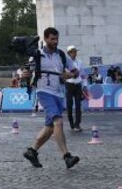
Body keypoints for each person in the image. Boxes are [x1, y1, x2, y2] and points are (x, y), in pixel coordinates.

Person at [23, 27, 81, 170]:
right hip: (44, 91)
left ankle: (32, 151)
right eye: (52, 39)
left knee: (50, 128)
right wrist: (25, 76)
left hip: (58, 93)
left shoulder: (61, 55)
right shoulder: (37, 55)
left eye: (56, 39)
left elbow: (75, 71)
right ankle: (66, 156)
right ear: (46, 39)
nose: (55, 42)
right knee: (58, 121)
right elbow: (26, 72)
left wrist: (71, 75)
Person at [64, 46, 85, 132]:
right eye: (73, 51)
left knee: (78, 105)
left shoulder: (79, 62)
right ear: (69, 53)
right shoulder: (65, 62)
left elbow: (83, 74)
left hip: (78, 84)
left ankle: (77, 124)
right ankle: (71, 124)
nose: (75, 53)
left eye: (76, 51)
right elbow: (64, 74)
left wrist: (85, 85)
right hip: (69, 84)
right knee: (69, 105)